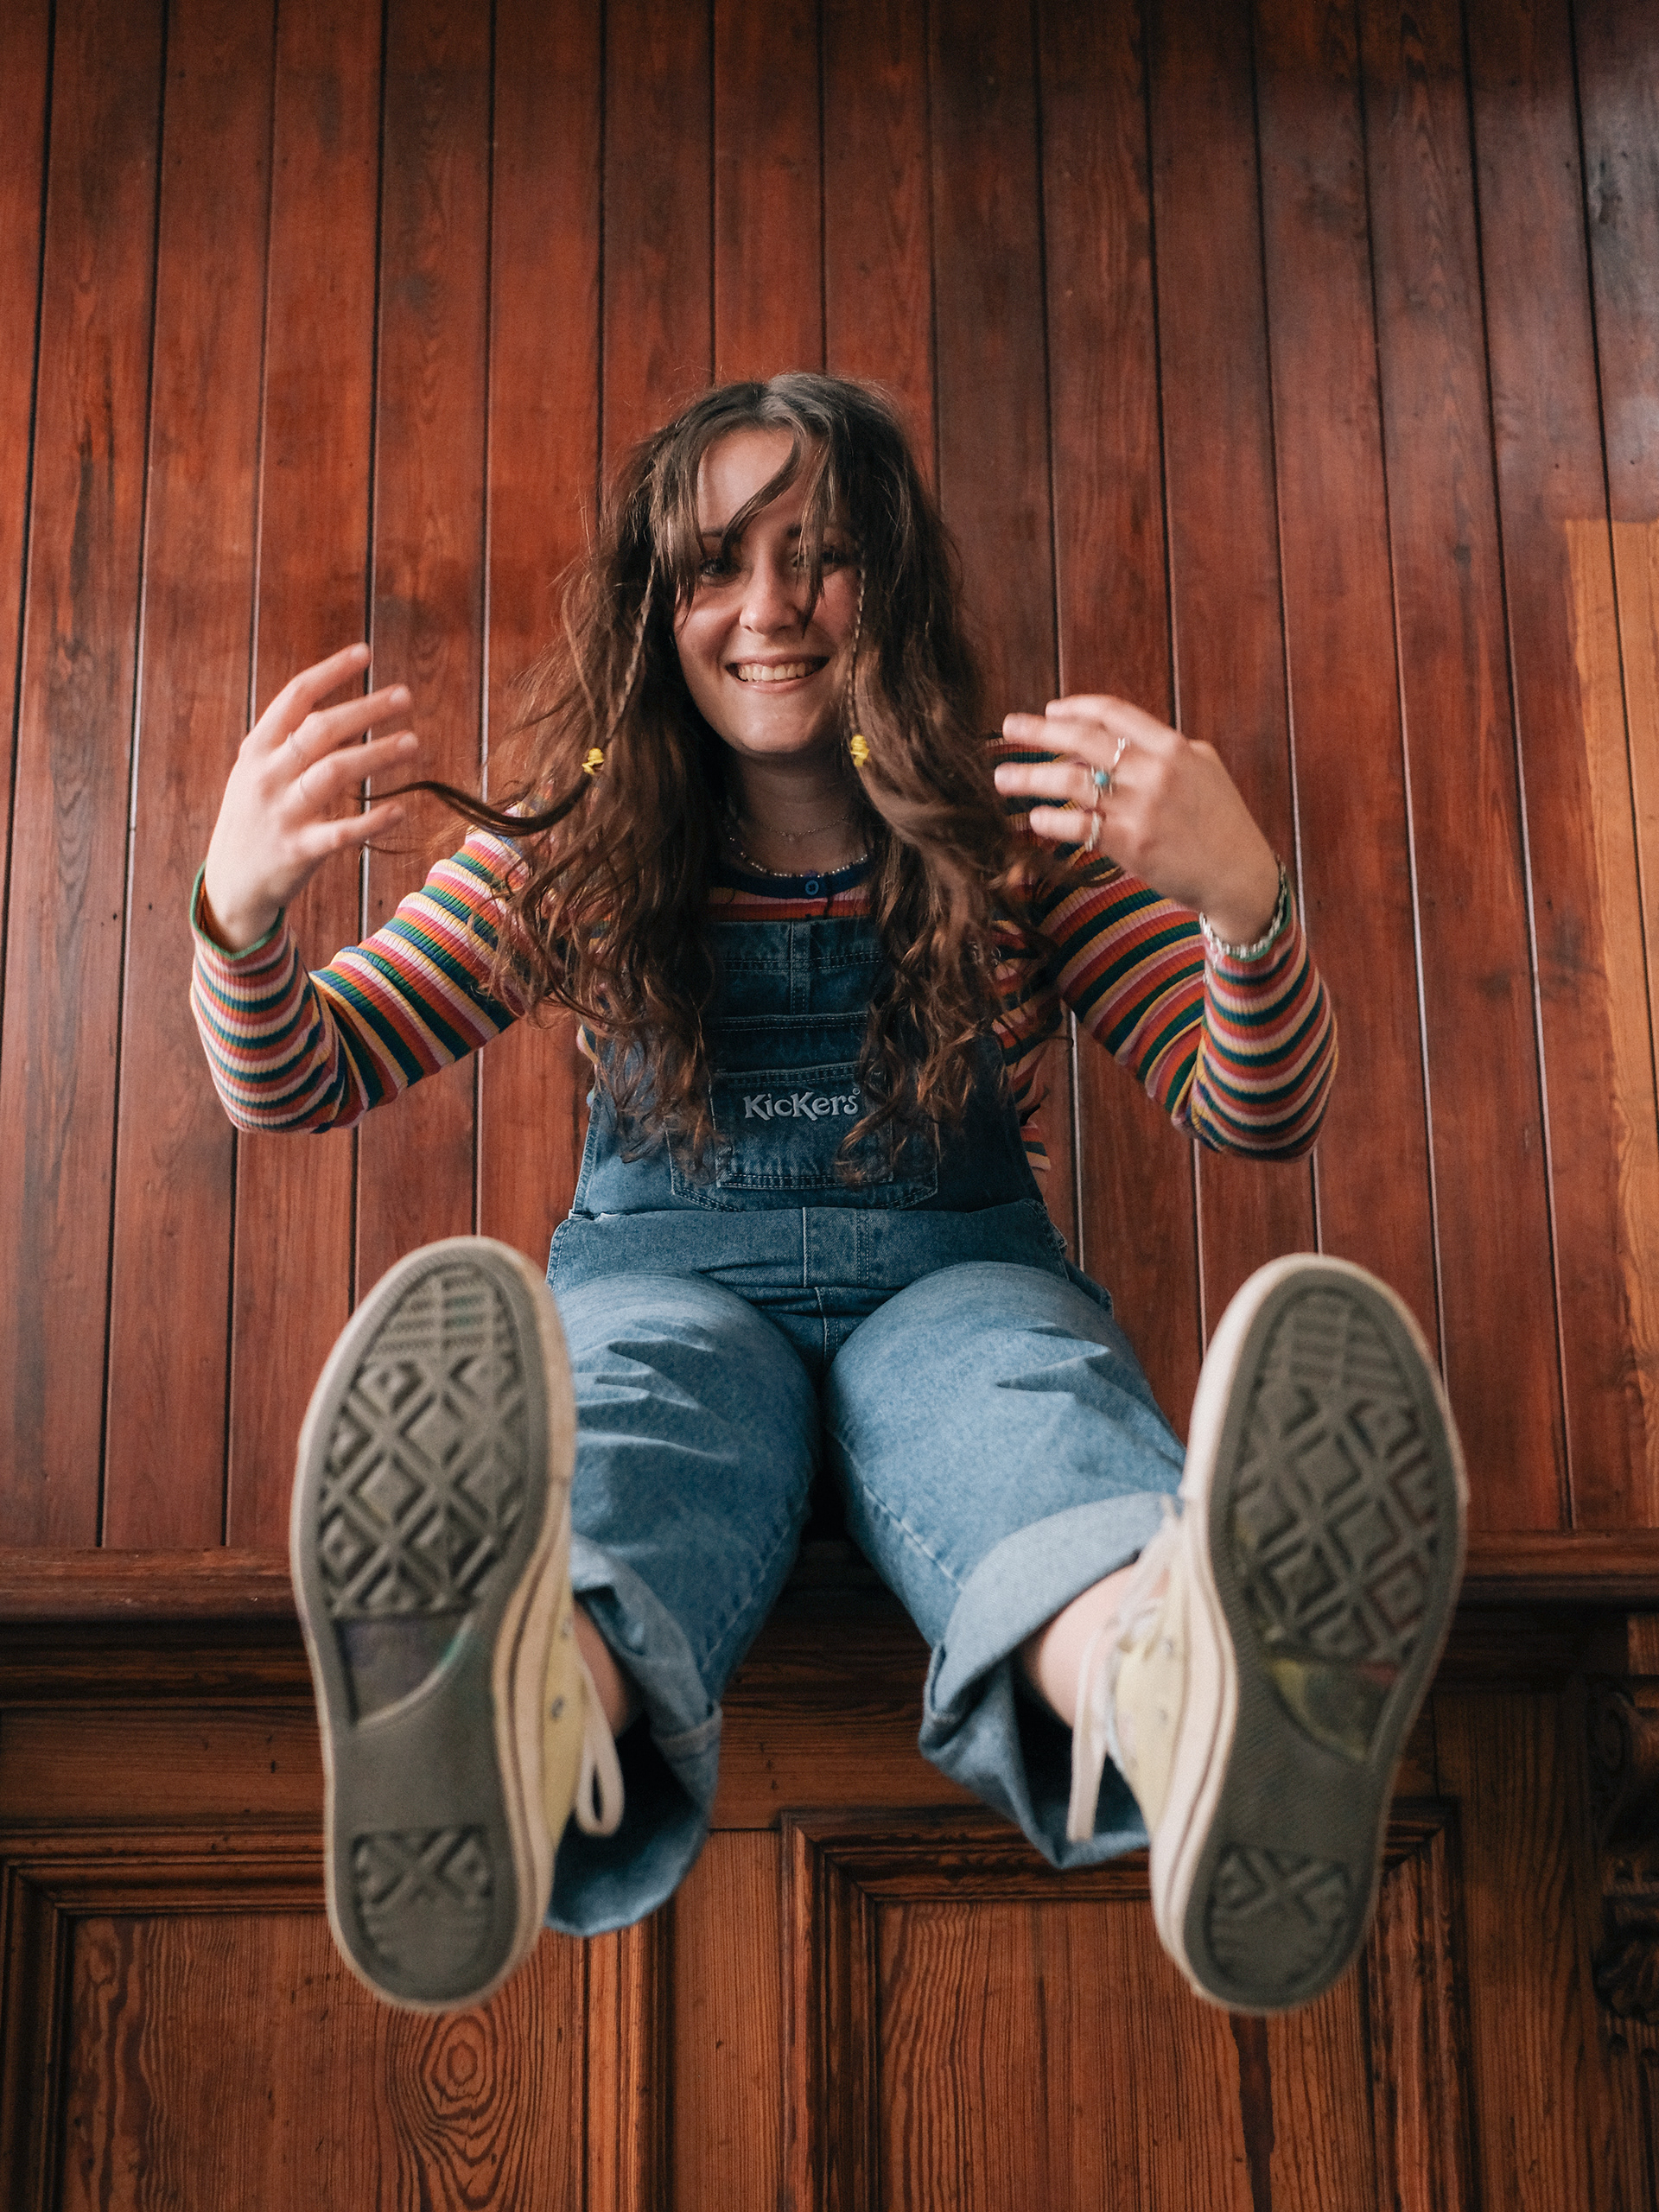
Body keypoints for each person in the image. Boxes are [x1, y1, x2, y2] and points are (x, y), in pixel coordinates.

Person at [192, 373, 1465, 2018]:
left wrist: (1245, 903)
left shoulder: (1018, 842)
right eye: (718, 563)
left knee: (1020, 1410)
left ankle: (1193, 1705)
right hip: (669, 1289)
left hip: (952, 1284)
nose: (769, 607)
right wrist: (236, 916)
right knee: (631, 1416)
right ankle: (506, 1721)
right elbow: (305, 1072)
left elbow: (1259, 1108)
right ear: (657, 607)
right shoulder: (564, 856)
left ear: (894, 587)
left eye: (821, 555)